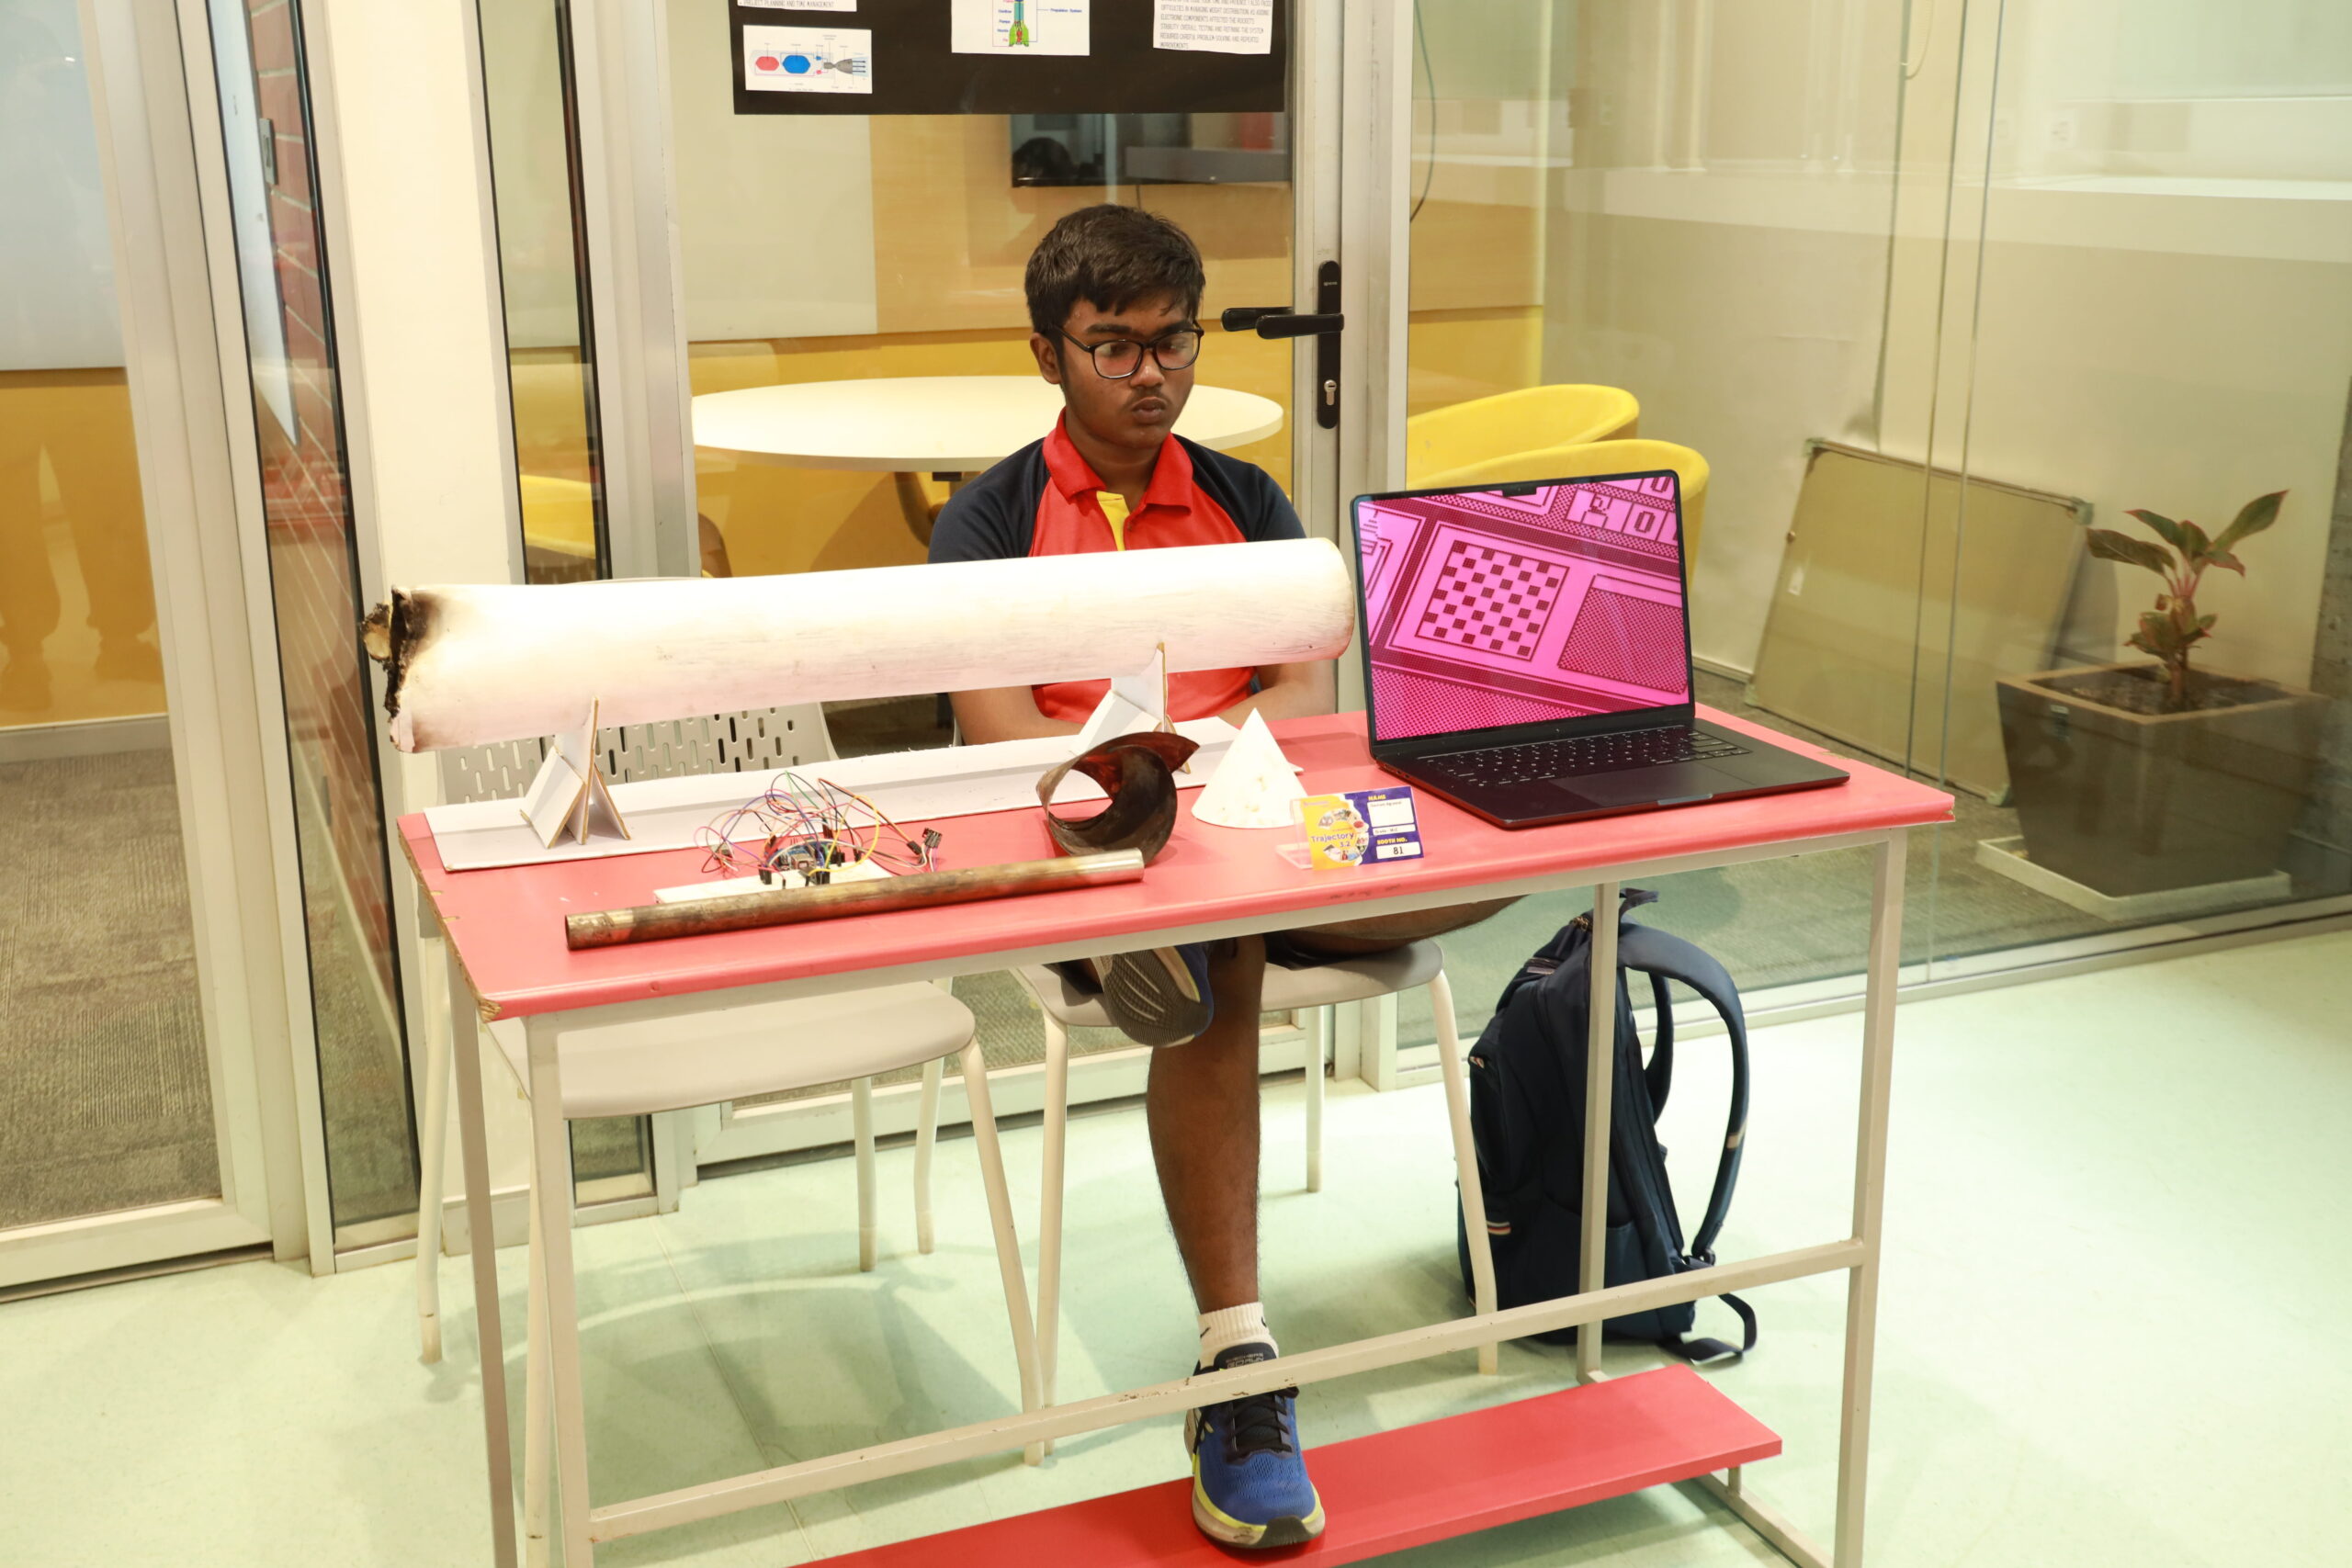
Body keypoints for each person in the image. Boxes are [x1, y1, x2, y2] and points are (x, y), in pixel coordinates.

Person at [929, 204, 1508, 1551]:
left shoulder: (1246, 501)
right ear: (1049, 354)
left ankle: (1228, 934)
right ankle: (1238, 1361)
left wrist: (1206, 770)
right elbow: (1001, 739)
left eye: (1173, 341)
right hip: (1089, 847)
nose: (1151, 374)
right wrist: (1167, 785)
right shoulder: (991, 519)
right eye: (1114, 346)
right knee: (1226, 944)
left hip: (1258, 822)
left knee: (1510, 843)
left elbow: (1309, 696)